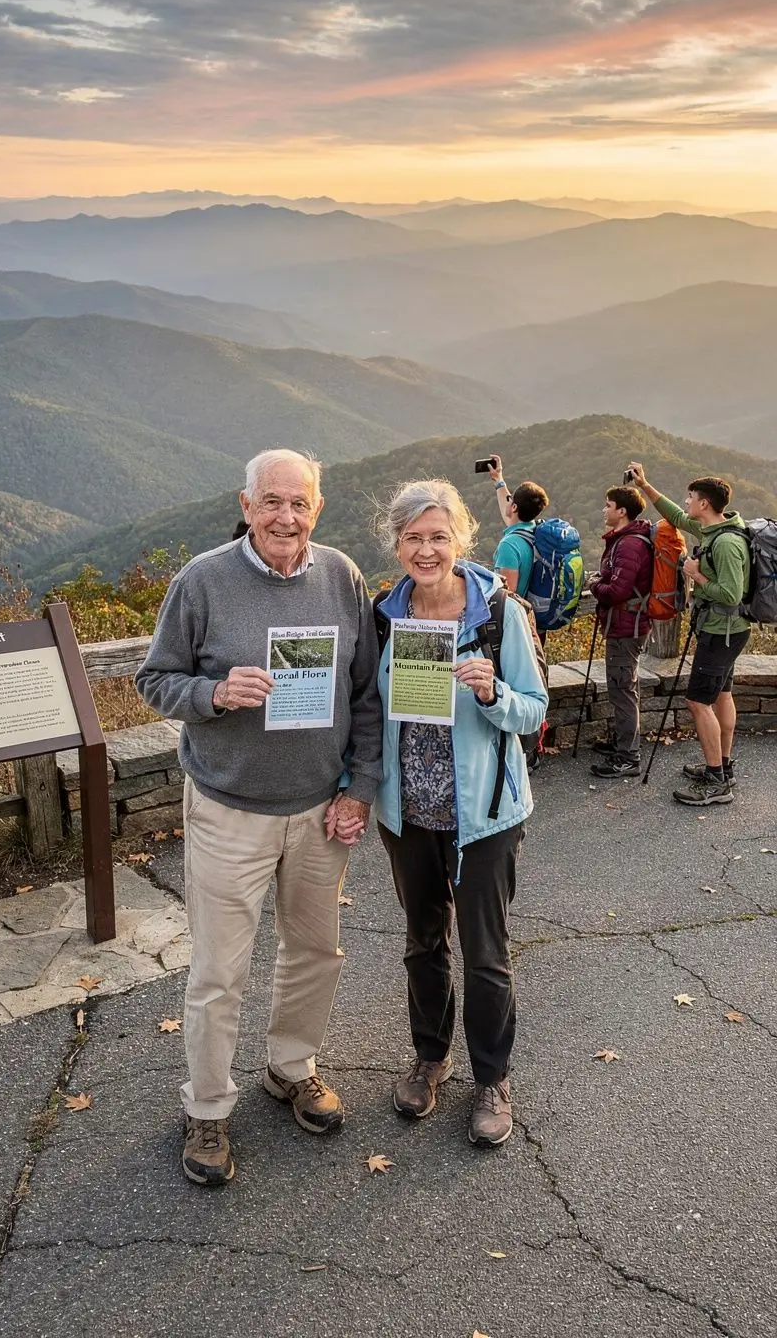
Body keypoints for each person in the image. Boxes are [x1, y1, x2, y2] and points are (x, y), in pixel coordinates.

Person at [136, 448, 382, 1186]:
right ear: (245, 505)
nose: (285, 516)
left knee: (315, 951)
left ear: (318, 506)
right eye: (271, 501)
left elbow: (366, 693)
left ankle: (290, 1067)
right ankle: (207, 1109)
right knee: (219, 972)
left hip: (318, 809)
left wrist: (359, 788)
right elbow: (155, 679)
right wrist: (212, 695)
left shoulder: (341, 576)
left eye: (299, 502)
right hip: (228, 810)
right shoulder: (203, 580)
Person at [373, 480, 548, 1147]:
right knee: (423, 944)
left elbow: (532, 708)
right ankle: (430, 1059)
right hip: (411, 812)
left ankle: (492, 1078)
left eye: (438, 536)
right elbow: (368, 709)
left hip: (487, 814)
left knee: (485, 955)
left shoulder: (497, 614)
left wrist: (493, 691)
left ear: (461, 539)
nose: (425, 549)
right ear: (397, 544)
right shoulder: (385, 616)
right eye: (413, 538)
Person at [626, 463, 751, 806]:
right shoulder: (713, 529)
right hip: (727, 631)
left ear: (705, 504)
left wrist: (694, 574)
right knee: (722, 694)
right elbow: (677, 517)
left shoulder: (725, 544)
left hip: (721, 631)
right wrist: (645, 485)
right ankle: (723, 765)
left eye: (692, 497)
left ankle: (716, 781)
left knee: (698, 701)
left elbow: (731, 594)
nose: (687, 501)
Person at [588, 485, 654, 779]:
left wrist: (593, 585)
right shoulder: (626, 540)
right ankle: (623, 745)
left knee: (622, 689)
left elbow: (616, 591)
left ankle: (628, 757)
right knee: (626, 685)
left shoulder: (629, 545)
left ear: (622, 511)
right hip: (629, 624)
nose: (604, 510)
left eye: (608, 504)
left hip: (626, 627)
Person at [487, 457, 549, 600]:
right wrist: (498, 480)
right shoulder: (534, 532)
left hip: (513, 617)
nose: (508, 501)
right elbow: (508, 514)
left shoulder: (509, 545)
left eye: (511, 500)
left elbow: (507, 593)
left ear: (514, 507)